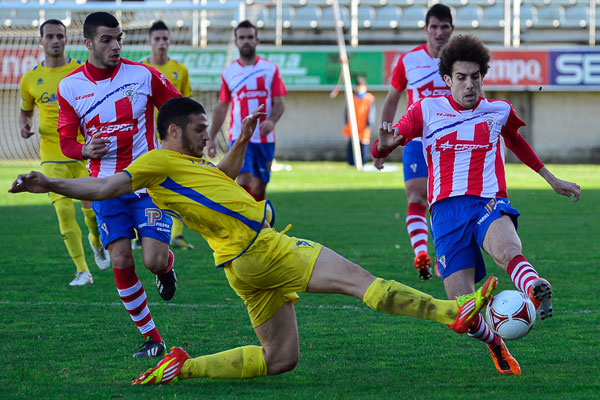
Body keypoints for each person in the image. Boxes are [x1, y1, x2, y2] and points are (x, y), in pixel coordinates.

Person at [10, 97, 498, 385]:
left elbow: (220, 177)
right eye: (201, 130)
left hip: (241, 269)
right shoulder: (156, 162)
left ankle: (181, 367)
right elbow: (105, 187)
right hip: (264, 249)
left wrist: (240, 139)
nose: (207, 136)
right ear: (173, 131)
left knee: (280, 359)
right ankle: (452, 313)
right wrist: (50, 183)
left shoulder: (188, 164)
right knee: (359, 282)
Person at [372, 34, 581, 375]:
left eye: (475, 77)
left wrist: (552, 179)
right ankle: (495, 344)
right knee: (462, 312)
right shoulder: (426, 110)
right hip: (444, 214)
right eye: (461, 78)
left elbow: (517, 143)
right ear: (447, 80)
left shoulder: (498, 111)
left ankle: (534, 289)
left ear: (483, 77)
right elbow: (384, 145)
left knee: (506, 248)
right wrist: (382, 147)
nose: (470, 85)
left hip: (488, 201)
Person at [56, 12, 182, 358]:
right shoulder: (70, 86)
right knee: (121, 258)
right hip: (106, 188)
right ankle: (152, 338)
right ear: (88, 44)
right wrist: (83, 149)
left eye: (119, 39)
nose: (115, 46)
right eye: (106, 40)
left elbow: (176, 110)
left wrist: (191, 138)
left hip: (148, 184)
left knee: (153, 260)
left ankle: (167, 268)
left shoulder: (143, 74)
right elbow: (66, 140)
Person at [19, 19, 110, 286]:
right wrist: (24, 126)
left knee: (91, 213)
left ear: (66, 39)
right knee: (63, 213)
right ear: (41, 40)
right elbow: (26, 112)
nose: (55, 40)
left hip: (83, 152)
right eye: (50, 36)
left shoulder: (81, 72)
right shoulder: (29, 79)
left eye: (60, 36)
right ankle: (83, 270)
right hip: (51, 156)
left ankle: (96, 241)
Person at [378, 4, 454, 281]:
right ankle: (422, 253)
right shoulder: (408, 60)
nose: (439, 32)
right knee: (417, 196)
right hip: (416, 140)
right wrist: (382, 143)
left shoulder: (459, 62)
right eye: (434, 27)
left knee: (444, 202)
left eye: (444, 27)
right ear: (426, 29)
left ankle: (441, 252)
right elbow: (392, 99)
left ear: (451, 29)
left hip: (451, 143)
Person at [206, 20, 286, 202]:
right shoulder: (229, 72)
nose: (246, 41)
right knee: (243, 179)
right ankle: (245, 225)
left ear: (257, 40)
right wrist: (211, 137)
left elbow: (280, 103)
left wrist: (271, 121)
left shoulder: (270, 69)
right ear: (236, 42)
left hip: (265, 138)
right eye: (242, 37)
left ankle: (259, 224)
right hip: (239, 136)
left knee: (259, 185)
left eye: (250, 37)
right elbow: (221, 106)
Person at [142, 20, 194, 250]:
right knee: (144, 184)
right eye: (157, 39)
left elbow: (187, 103)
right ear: (150, 42)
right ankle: (141, 233)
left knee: (178, 182)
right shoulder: (140, 68)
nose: (162, 43)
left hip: (173, 137)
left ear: (170, 41)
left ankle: (177, 234)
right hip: (145, 136)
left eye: (165, 39)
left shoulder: (179, 70)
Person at [341, 75, 375, 166]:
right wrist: (347, 124)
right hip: (353, 125)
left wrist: (369, 124)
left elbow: (371, 112)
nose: (360, 89)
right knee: (352, 145)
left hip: (364, 126)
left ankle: (364, 162)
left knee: (363, 145)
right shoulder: (352, 97)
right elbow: (346, 112)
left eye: (362, 87)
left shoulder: (369, 98)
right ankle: (351, 163)